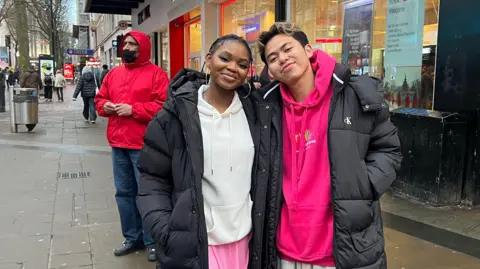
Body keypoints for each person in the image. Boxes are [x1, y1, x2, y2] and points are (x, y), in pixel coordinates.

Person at [255, 22, 402, 269]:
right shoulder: (266, 109)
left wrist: (362, 187)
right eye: (273, 57)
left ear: (309, 49)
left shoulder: (353, 95)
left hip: (343, 248)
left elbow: (387, 147)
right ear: (270, 70)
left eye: (287, 48)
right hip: (283, 250)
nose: (282, 58)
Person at [136, 34, 275, 269]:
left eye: (242, 65)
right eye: (225, 58)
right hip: (195, 243)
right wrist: (165, 230)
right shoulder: (173, 116)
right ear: (209, 60)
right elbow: (152, 178)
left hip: (245, 240)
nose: (233, 68)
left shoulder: (257, 114)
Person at [94, 30, 169, 262]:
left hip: (143, 145)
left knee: (146, 194)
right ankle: (132, 237)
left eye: (132, 44)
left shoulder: (157, 74)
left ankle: (152, 241)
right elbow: (99, 100)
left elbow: (164, 106)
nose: (127, 47)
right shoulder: (113, 74)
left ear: (143, 48)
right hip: (118, 145)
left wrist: (133, 110)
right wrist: (104, 106)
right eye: (125, 43)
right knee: (124, 194)